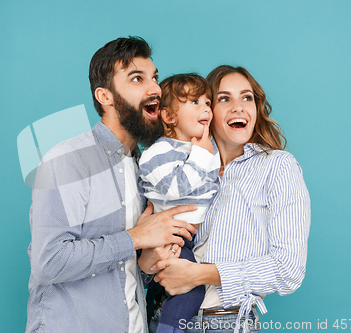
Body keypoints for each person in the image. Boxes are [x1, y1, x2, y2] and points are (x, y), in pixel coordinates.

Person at [25, 36, 198, 333]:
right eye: (137, 78)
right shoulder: (67, 161)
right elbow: (49, 262)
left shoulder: (145, 169)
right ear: (105, 96)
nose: (155, 88)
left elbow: (124, 272)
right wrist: (135, 238)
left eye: (154, 77)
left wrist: (147, 262)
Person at [147, 65, 311, 333]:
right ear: (207, 111)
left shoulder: (277, 167)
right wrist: (151, 257)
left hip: (224, 324)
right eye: (224, 98)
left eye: (247, 97)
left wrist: (198, 275)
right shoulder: (179, 165)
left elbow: (288, 270)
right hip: (159, 318)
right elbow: (144, 264)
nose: (239, 107)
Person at [138, 74, 220, 333]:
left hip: (192, 238)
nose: (205, 108)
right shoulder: (158, 152)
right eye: (194, 102)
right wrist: (202, 155)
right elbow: (176, 188)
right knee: (191, 293)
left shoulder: (204, 148)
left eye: (207, 103)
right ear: (169, 117)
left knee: (176, 289)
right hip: (171, 238)